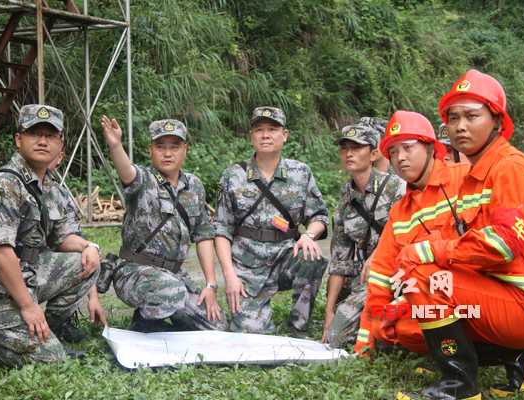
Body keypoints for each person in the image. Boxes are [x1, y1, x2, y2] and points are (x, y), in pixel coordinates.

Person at [396, 70, 524, 400]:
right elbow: (462, 237)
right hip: (497, 294)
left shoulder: (511, 167)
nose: (460, 126)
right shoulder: (475, 175)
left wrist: (428, 252)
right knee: (409, 326)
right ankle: (516, 356)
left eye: (471, 116)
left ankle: (460, 388)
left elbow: (501, 243)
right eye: (453, 118)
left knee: (423, 275)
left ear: (497, 119)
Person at [0, 104, 102, 366]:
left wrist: (89, 245)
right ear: (18, 139)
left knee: (87, 261)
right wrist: (28, 307)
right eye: (34, 133)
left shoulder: (48, 186)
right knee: (52, 362)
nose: (43, 141)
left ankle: (52, 329)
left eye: (50, 135)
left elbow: (61, 238)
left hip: (25, 275)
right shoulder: (4, 184)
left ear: (60, 144)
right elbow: (0, 252)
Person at [354, 110, 470, 358]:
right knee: (392, 324)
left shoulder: (465, 179)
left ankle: (505, 352)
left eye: (407, 147)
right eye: (393, 152)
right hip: (437, 299)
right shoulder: (400, 211)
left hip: (478, 293)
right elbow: (381, 277)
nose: (400, 158)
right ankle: (452, 356)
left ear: (430, 147)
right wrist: (364, 343)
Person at [101, 116, 228, 333]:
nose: (167, 153)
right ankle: (143, 324)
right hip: (135, 272)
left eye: (174, 147)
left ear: (185, 150)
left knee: (217, 326)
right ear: (151, 149)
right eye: (160, 146)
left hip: (174, 277)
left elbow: (203, 235)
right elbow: (126, 171)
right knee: (171, 292)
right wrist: (116, 146)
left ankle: (172, 315)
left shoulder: (194, 186)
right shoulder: (143, 179)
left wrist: (210, 284)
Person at [214, 107, 329, 337]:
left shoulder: (301, 173)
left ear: (284, 135)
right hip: (247, 267)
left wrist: (308, 235)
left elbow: (320, 217)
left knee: (312, 257)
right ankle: (256, 318)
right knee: (251, 334)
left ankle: (299, 325)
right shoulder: (232, 176)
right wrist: (229, 275)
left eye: (272, 129)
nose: (265, 135)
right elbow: (221, 229)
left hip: (284, 258)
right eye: (259, 129)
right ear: (251, 136)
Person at [321, 119, 406, 348]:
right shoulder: (344, 204)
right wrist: (329, 311)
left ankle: (395, 327)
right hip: (366, 278)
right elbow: (340, 262)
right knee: (335, 335)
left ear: (373, 154)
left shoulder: (397, 188)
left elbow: (410, 235)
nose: (349, 153)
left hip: (399, 273)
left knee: (342, 335)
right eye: (344, 148)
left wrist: (377, 254)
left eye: (357, 147)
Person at [46, 149, 107, 342]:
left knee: (86, 253)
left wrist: (93, 298)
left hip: (41, 269)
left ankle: (57, 324)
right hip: (8, 273)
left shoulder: (59, 194)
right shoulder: (10, 184)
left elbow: (77, 242)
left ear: (60, 157)